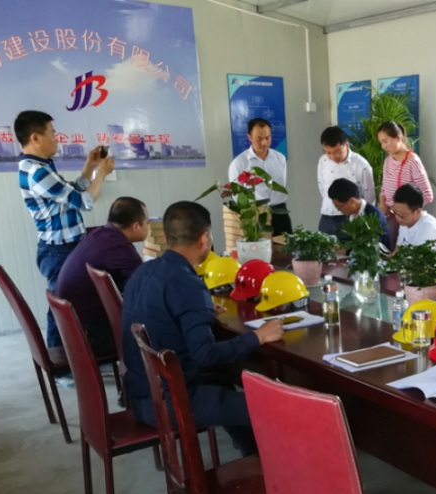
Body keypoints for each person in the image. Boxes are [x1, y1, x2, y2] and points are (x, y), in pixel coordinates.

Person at [121, 201, 284, 455]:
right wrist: (257, 337)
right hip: (175, 402)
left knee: (223, 384)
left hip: (143, 396)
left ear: (167, 237)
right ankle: (281, 471)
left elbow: (163, 313)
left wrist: (200, 311)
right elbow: (205, 355)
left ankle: (253, 457)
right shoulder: (188, 284)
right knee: (278, 406)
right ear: (204, 239)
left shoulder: (142, 272)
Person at [15, 109, 115, 347]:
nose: (56, 138)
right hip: (59, 250)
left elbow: (70, 192)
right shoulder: (36, 171)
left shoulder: (39, 166)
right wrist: (102, 173)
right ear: (35, 137)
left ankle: (82, 352)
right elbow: (83, 201)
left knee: (70, 302)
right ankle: (59, 359)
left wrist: (90, 166)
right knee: (62, 306)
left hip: (65, 246)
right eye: (52, 133)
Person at [56, 197, 150, 356]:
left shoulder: (100, 234)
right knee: (157, 328)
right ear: (136, 226)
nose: (148, 226)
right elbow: (143, 290)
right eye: (147, 222)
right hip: (91, 335)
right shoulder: (120, 247)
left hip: (72, 327)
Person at [228, 118, 291, 234]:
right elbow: (236, 196)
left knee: (284, 244)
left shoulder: (280, 158)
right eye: (259, 139)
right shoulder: (239, 163)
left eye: (267, 138)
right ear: (250, 137)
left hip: (280, 213)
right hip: (256, 215)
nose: (264, 143)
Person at [317, 126, 375, 236]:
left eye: (337, 151)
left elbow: (369, 198)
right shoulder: (323, 161)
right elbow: (322, 187)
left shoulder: (361, 165)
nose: (333, 156)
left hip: (350, 219)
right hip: (327, 216)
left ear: (347, 145)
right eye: (328, 152)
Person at [377, 121, 433, 217]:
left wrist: (405, 209)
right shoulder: (388, 161)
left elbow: (428, 196)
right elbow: (384, 189)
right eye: (381, 143)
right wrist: (382, 204)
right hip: (390, 216)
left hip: (407, 218)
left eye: (385, 141)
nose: (383, 146)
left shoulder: (413, 161)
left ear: (398, 138)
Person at [327, 178, 391, 250]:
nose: (339, 211)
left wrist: (342, 249)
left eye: (339, 207)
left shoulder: (373, 215)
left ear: (351, 201)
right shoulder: (351, 215)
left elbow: (372, 247)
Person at [390, 184, 436, 250]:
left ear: (417, 212)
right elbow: (397, 251)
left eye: (402, 215)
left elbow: (421, 256)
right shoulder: (404, 223)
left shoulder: (428, 227)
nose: (397, 217)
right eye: (395, 212)